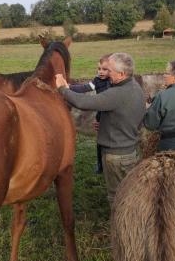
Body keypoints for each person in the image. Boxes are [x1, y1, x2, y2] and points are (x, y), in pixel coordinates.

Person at [56, 52, 145, 206]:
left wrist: (63, 89)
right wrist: (104, 122)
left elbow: (84, 102)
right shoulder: (134, 86)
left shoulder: (117, 93)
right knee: (131, 192)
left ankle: (122, 227)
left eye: (109, 70)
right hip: (130, 150)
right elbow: (123, 113)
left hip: (117, 156)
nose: (105, 73)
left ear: (122, 74)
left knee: (118, 197)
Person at [69, 54, 111, 174]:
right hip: (101, 115)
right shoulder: (97, 80)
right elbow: (85, 87)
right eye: (99, 69)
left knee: (111, 140)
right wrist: (69, 87)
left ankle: (110, 162)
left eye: (104, 69)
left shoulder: (113, 82)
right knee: (100, 141)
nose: (101, 72)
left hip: (112, 115)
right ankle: (100, 164)